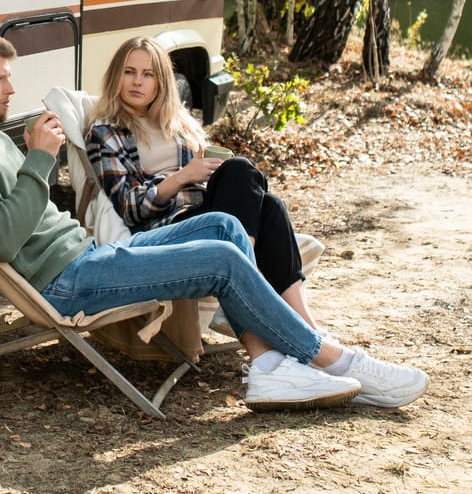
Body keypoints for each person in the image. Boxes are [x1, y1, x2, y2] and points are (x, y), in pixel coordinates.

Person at [0, 29, 427, 410]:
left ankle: (268, 363)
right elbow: (1, 239)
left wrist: (34, 159)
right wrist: (39, 160)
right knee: (225, 258)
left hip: (89, 255)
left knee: (228, 227)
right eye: (0, 78)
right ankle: (334, 359)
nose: (12, 89)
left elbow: (21, 216)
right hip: (65, 281)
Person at [84, 37, 315, 328]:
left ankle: (307, 325)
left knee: (266, 200)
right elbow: (130, 207)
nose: (137, 82)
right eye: (129, 72)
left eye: (148, 74)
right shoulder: (105, 132)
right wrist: (183, 177)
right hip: (170, 226)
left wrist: (209, 170)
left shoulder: (177, 122)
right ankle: (247, 283)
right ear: (116, 76)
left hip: (205, 213)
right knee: (250, 183)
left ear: (161, 82)